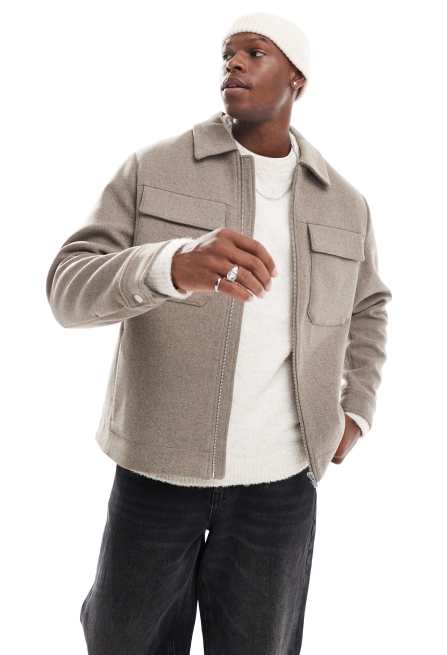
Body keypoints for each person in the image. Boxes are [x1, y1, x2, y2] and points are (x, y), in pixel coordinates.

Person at [46, 12, 392, 655]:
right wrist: (168, 266)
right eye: (228, 53)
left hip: (281, 488)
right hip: (157, 475)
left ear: (297, 78)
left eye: (255, 52)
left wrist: (357, 412)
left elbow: (369, 305)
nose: (233, 63)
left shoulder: (344, 202)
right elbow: (67, 289)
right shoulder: (154, 168)